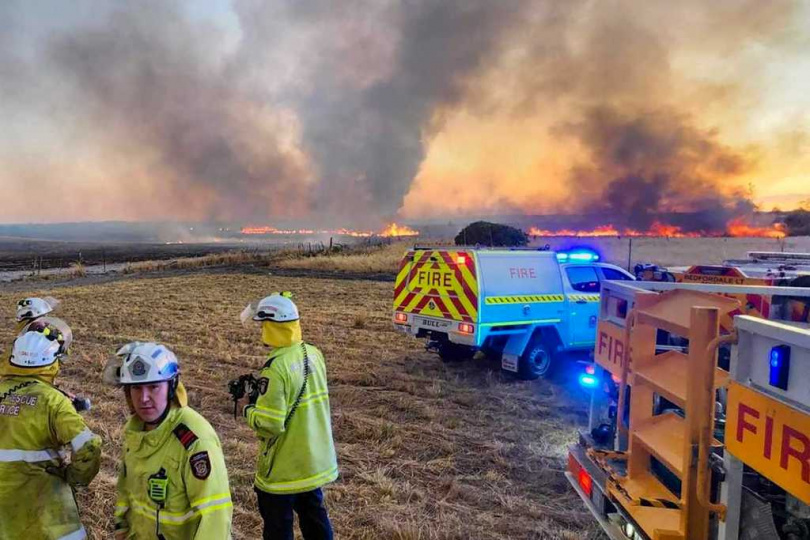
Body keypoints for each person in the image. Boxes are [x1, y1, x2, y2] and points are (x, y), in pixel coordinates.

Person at [105, 341, 232, 540]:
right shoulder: (135, 433)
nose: (144, 398)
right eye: (136, 389)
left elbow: (214, 517)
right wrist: (121, 528)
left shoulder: (195, 441)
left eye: (154, 387)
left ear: (171, 387)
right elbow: (125, 492)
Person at [239, 292, 338, 540]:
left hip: (283, 471)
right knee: (315, 520)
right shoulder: (314, 354)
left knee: (278, 529)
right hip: (312, 463)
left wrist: (247, 408)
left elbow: (270, 425)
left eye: (263, 325)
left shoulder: (275, 368)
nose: (261, 329)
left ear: (272, 326)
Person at [0, 318, 102, 539]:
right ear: (52, 363)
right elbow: (89, 446)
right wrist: (73, 477)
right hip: (46, 515)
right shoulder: (53, 401)